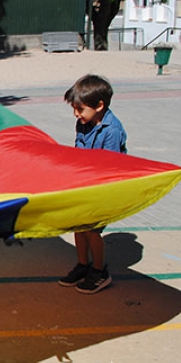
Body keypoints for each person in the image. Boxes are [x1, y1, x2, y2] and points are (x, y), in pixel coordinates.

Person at [57, 74, 127, 294]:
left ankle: (99, 271)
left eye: (80, 108)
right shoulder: (83, 123)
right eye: (74, 109)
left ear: (99, 105)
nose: (76, 114)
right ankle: (83, 264)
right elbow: (80, 153)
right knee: (78, 226)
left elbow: (111, 164)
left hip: (102, 189)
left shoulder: (112, 130)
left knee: (92, 230)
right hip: (84, 184)